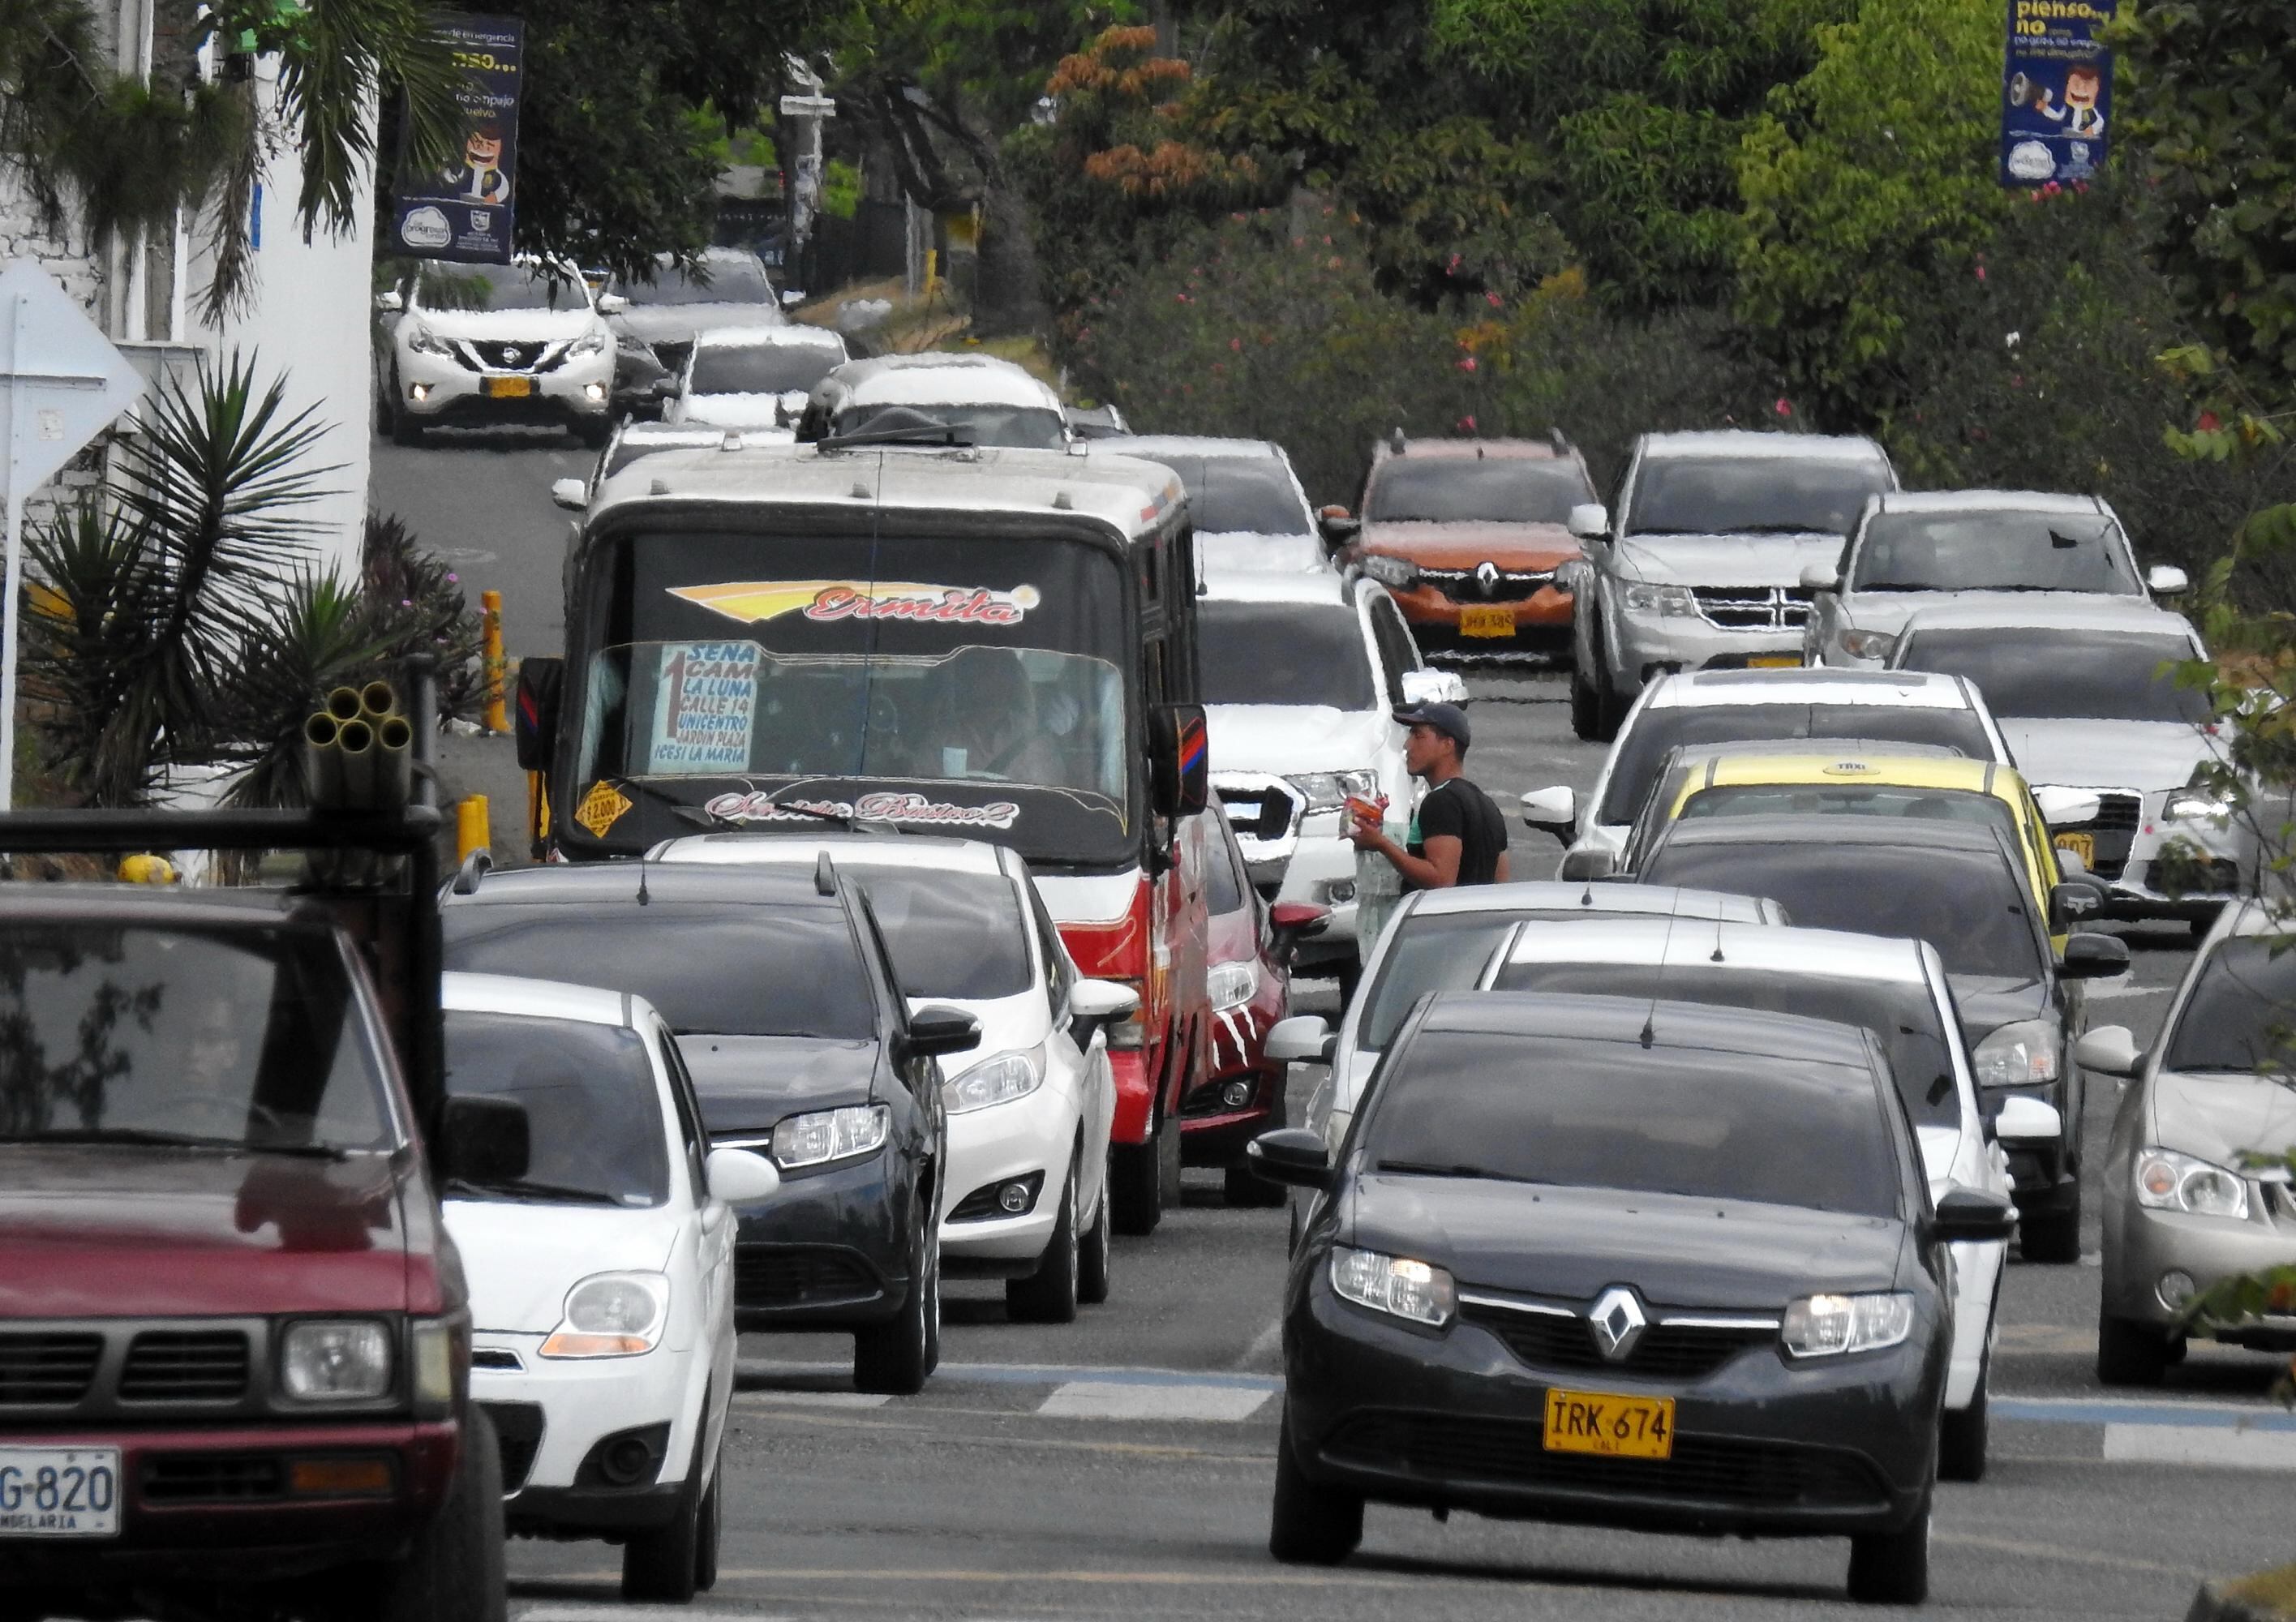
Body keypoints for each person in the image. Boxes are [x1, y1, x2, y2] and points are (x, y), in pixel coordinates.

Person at [1348, 702, 1509, 889]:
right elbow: (1501, 884)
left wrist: (1381, 844)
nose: (1407, 745)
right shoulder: (1488, 805)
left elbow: (1441, 880)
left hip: (1441, 917)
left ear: (1447, 745)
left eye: (1418, 736)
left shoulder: (1441, 801)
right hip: (1476, 916)